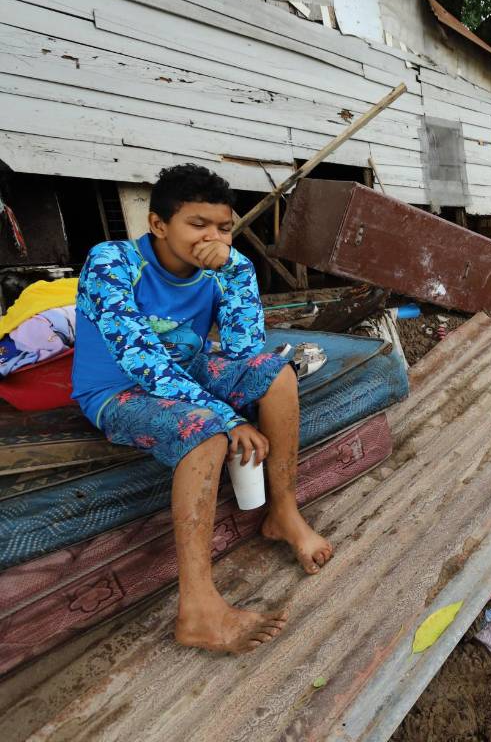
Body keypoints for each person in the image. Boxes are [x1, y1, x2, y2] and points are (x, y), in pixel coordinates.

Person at [72, 164, 332, 654]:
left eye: (223, 226)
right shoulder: (113, 262)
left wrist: (234, 271)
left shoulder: (223, 271)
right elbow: (141, 360)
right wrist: (227, 416)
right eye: (198, 224)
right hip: (119, 390)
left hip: (189, 374)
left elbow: (242, 347)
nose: (213, 237)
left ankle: (283, 512)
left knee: (275, 374)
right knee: (207, 431)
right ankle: (197, 608)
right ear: (158, 225)